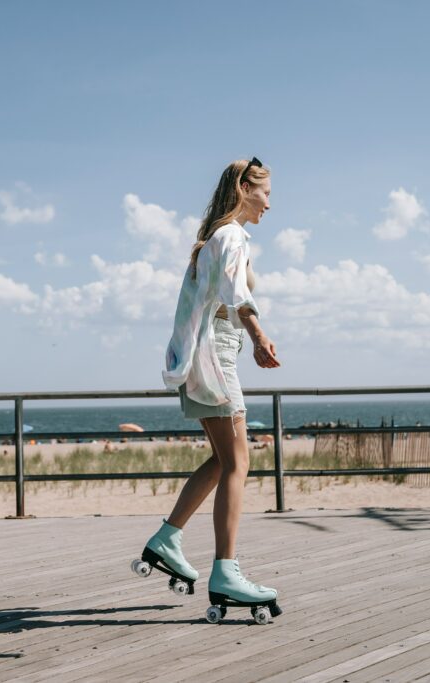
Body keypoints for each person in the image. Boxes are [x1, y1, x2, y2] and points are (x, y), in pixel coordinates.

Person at [135, 157, 283, 623]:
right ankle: (226, 572)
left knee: (224, 459)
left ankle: (168, 539)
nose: (269, 204)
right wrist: (260, 337)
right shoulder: (231, 236)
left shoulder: (213, 239)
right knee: (238, 461)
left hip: (205, 352)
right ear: (244, 187)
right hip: (216, 354)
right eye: (265, 193)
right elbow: (238, 294)